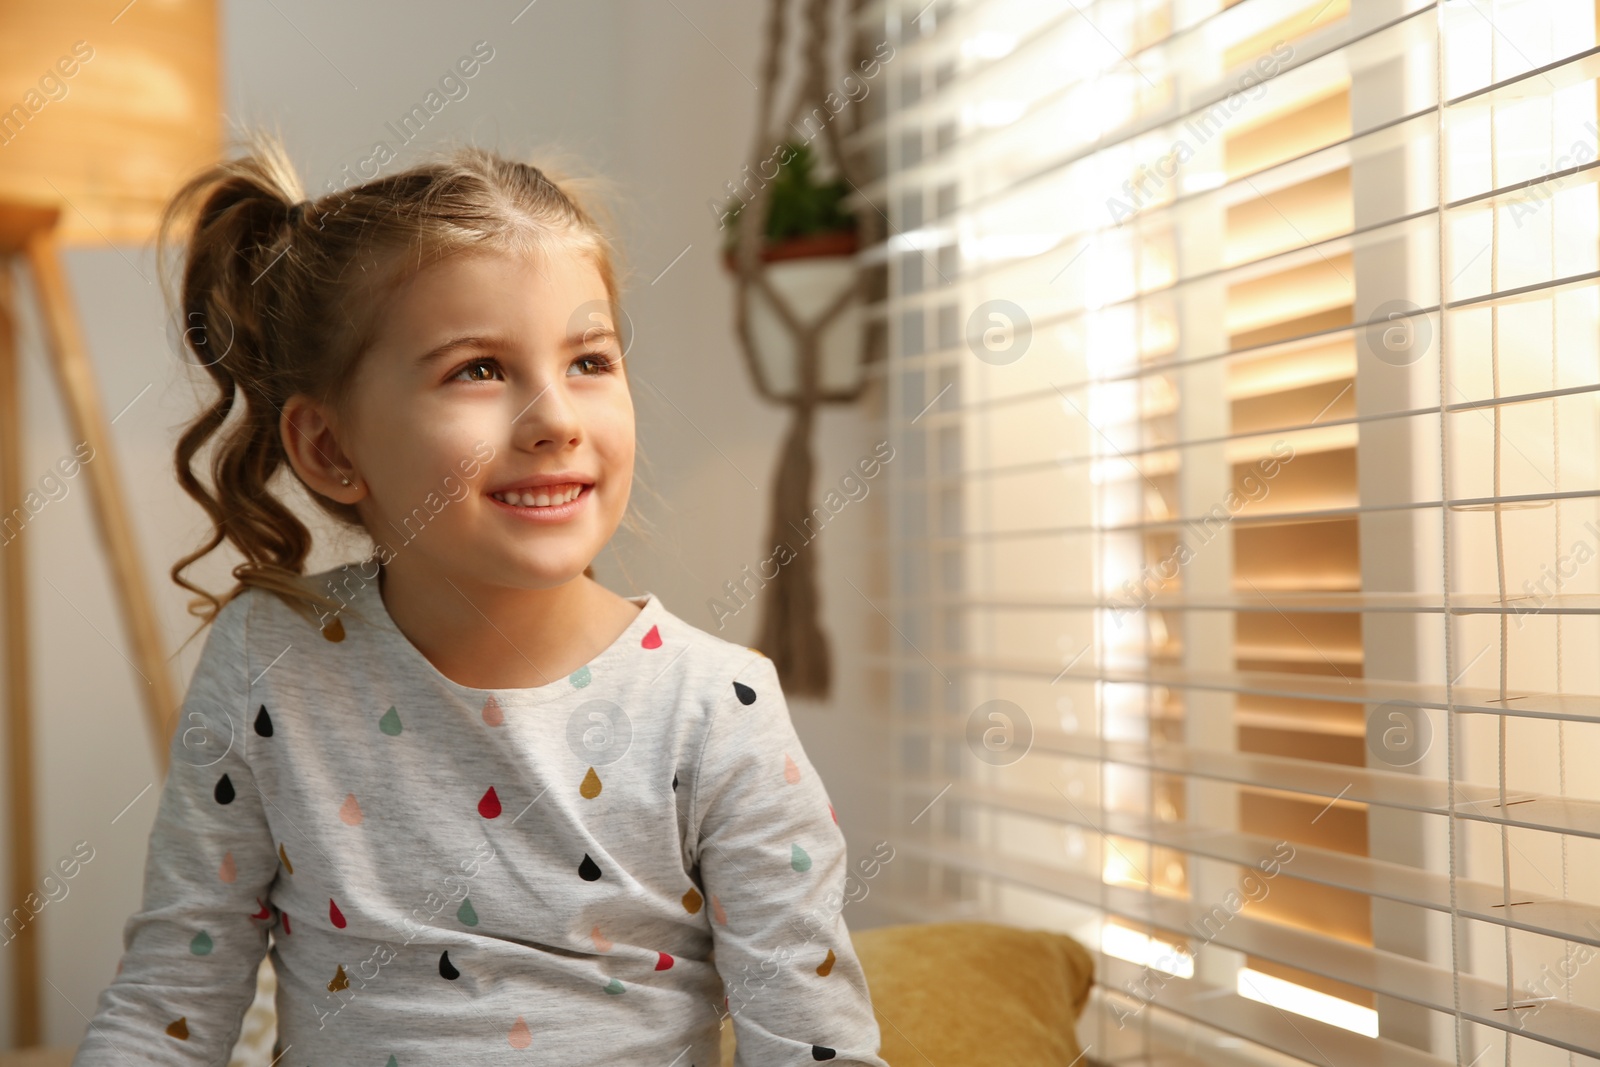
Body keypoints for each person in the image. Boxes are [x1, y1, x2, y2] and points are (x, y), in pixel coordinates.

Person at [71, 128, 889, 1066]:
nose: (555, 420)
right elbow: (170, 1003)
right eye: (479, 369)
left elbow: (813, 1045)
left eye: (589, 360)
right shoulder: (271, 659)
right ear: (331, 450)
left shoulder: (720, 710)